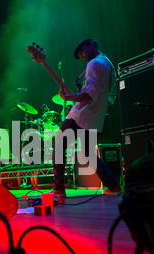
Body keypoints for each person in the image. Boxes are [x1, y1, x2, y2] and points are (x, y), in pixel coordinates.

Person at [50, 38, 120, 202]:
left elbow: (89, 94)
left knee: (59, 144)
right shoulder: (108, 63)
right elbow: (109, 97)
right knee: (88, 153)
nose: (82, 56)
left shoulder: (94, 64)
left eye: (82, 51)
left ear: (92, 45)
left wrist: (70, 97)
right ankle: (114, 186)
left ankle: (58, 190)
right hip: (95, 117)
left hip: (81, 115)